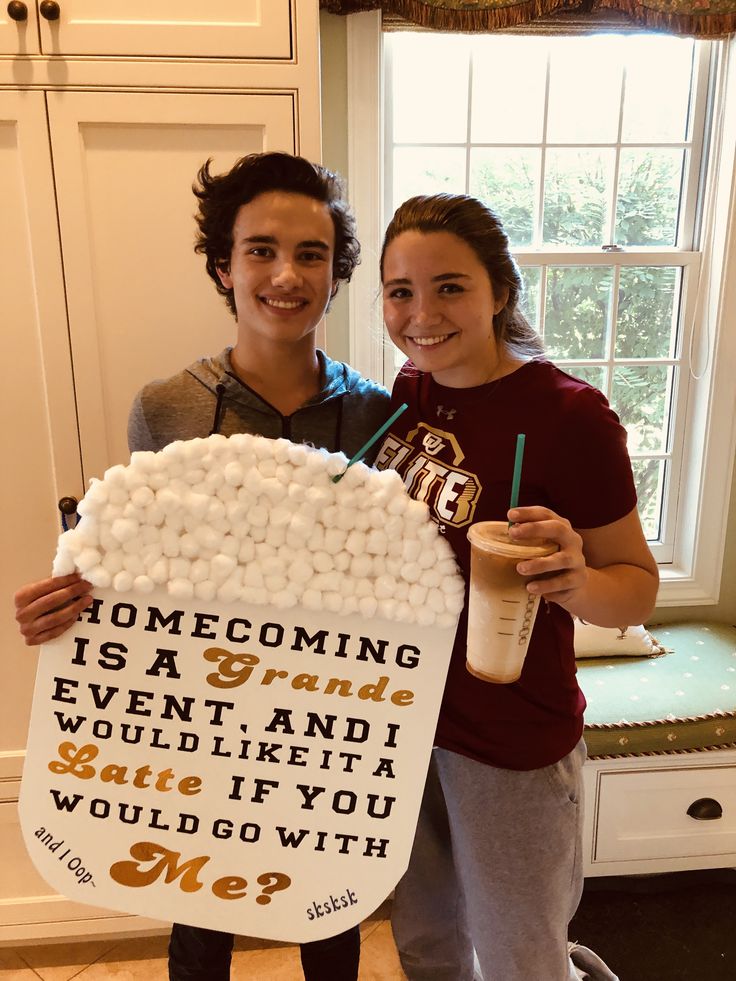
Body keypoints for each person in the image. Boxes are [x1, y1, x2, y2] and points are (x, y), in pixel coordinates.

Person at [14, 151, 391, 981]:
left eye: (311, 254)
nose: (285, 275)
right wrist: (67, 605)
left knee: (330, 914)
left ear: (337, 273)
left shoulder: (375, 413)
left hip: (326, 717)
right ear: (223, 264)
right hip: (204, 713)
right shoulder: (166, 406)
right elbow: (141, 564)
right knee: (199, 920)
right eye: (260, 249)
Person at [374, 193, 659, 981]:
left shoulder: (572, 415)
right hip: (405, 724)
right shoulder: (409, 391)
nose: (421, 313)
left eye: (451, 287)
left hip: (510, 741)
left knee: (519, 958)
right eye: (401, 291)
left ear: (501, 291)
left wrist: (572, 575)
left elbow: (634, 590)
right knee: (428, 944)